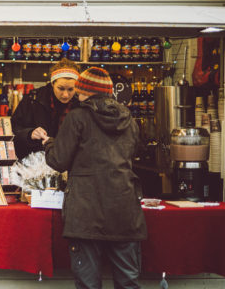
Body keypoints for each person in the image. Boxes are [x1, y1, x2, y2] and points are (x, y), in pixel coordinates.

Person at [42, 67, 147, 289]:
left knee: (88, 284)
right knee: (128, 283)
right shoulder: (129, 120)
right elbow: (132, 153)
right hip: (125, 211)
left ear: (84, 91)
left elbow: (58, 161)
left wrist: (50, 144)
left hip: (85, 213)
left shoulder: (77, 117)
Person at [11, 58, 80, 159]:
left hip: (70, 164)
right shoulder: (32, 100)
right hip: (35, 165)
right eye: (60, 88)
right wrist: (30, 134)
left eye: (70, 89)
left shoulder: (81, 105)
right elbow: (14, 131)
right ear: (52, 84)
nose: (65, 95)